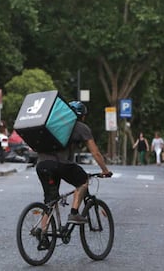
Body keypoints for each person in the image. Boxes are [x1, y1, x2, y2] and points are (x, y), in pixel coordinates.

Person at [35, 101, 112, 250]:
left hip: (42, 165)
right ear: (82, 116)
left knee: (50, 202)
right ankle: (74, 213)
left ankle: (42, 234)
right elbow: (95, 152)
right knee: (83, 180)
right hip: (60, 164)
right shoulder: (81, 127)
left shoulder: (54, 124)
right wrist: (105, 170)